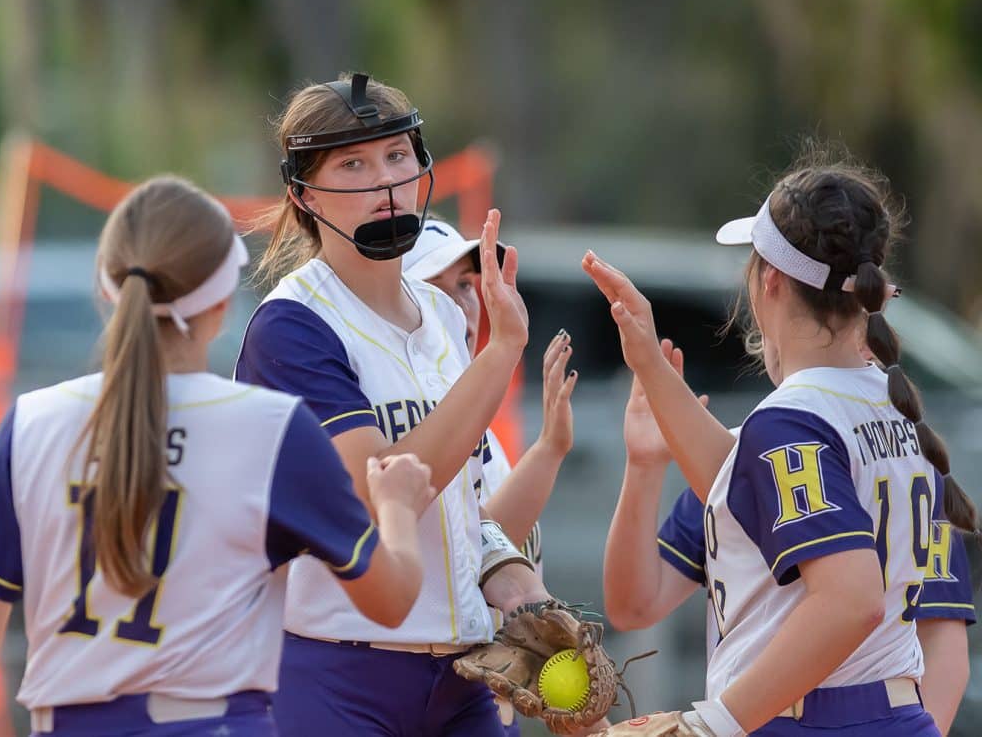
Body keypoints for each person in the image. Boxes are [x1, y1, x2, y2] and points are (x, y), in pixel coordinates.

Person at [0, 176, 434, 736]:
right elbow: (392, 600)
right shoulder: (271, 430)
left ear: (109, 289)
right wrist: (397, 507)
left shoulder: (30, 425)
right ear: (222, 302)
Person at [585, 149, 979, 735]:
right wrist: (650, 365)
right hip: (894, 715)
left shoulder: (793, 422)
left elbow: (850, 601)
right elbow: (738, 483)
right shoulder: (900, 413)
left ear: (769, 279)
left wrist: (711, 725)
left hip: (805, 720)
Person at [235, 73, 568, 736]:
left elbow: (465, 500)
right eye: (352, 164)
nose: (384, 180)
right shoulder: (293, 325)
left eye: (396, 155)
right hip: (337, 669)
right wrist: (501, 353)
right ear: (303, 193)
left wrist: (510, 575)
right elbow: (378, 491)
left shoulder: (444, 315)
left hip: (464, 675)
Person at [604, 338, 975, 735]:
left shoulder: (901, 460)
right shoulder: (746, 456)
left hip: (852, 713)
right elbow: (634, 606)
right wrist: (644, 466)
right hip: (759, 717)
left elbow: (942, 645)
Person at [405, 219, 612, 736]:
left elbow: (490, 538)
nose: (464, 304)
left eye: (466, 285)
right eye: (438, 288)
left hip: (475, 709)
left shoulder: (481, 433)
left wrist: (549, 450)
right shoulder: (410, 427)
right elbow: (462, 543)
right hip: (414, 697)